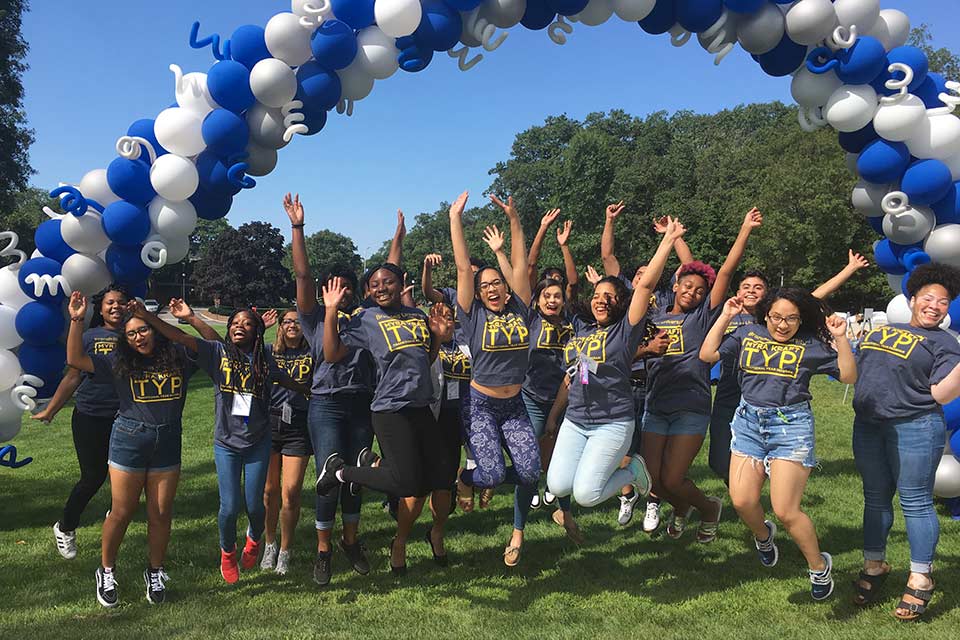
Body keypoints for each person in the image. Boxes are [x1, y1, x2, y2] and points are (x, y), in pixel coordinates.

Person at [699, 288, 856, 601]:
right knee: (742, 501)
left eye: (791, 319)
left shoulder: (811, 345)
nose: (783, 325)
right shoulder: (747, 334)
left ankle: (818, 565)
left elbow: (849, 376)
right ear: (766, 315)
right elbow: (707, 354)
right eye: (777, 318)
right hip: (747, 423)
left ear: (801, 320)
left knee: (786, 509)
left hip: (791, 428)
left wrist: (840, 338)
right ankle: (763, 535)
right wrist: (726, 316)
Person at [136, 299, 305, 585]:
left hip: (258, 442)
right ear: (228, 329)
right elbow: (180, 337)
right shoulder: (217, 354)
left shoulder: (265, 359)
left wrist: (319, 391)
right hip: (226, 443)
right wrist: (153, 318)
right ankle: (228, 552)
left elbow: (292, 382)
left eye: (248, 324)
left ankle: (253, 538)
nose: (241, 327)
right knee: (228, 507)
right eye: (236, 323)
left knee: (254, 506)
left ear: (258, 331)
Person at [315, 264, 454, 575]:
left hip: (421, 407)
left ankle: (420, 532)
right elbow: (332, 353)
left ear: (400, 283)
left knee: (441, 476)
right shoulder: (365, 319)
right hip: (390, 409)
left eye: (387, 282)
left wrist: (438, 339)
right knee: (406, 482)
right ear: (368, 291)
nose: (380, 288)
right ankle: (342, 472)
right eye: (374, 284)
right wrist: (331, 311)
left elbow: (425, 359)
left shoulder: (417, 316)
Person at [544, 217, 684, 523]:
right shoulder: (581, 326)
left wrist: (668, 241)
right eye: (596, 296)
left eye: (609, 296)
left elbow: (645, 285)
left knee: (587, 494)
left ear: (621, 302)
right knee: (557, 484)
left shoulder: (625, 330)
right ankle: (610, 471)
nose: (601, 301)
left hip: (612, 422)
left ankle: (633, 470)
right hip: (576, 420)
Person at [65, 292, 201, 607]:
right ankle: (107, 570)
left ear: (154, 328)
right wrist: (76, 320)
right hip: (129, 439)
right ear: (123, 339)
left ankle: (155, 572)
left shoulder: (179, 356)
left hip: (167, 441)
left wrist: (159, 317)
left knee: (161, 512)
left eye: (143, 330)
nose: (138, 338)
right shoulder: (118, 360)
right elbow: (75, 359)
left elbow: (206, 342)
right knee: (122, 511)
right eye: (131, 334)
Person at [641, 207, 762, 543]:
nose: (692, 293)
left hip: (690, 407)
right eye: (687, 286)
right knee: (654, 480)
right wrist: (670, 240)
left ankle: (707, 508)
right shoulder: (655, 313)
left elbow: (723, 273)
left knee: (675, 478)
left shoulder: (703, 317)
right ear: (675, 284)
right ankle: (683, 508)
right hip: (655, 405)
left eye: (699, 290)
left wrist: (745, 229)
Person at [851, 263, 960, 620]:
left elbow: (941, 394)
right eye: (928, 297)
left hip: (916, 425)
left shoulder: (945, 343)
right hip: (868, 425)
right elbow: (854, 371)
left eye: (943, 302)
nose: (934, 305)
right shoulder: (885, 329)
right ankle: (874, 564)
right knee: (875, 498)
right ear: (912, 298)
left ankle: (921, 576)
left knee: (915, 502)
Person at [707, 250, 870, 485]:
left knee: (749, 465)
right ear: (738, 292)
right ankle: (744, 487)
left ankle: (761, 478)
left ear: (767, 296)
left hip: (773, 396)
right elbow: (723, 273)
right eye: (746, 286)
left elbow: (813, 298)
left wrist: (849, 269)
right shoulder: (727, 315)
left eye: (758, 287)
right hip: (731, 395)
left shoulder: (780, 321)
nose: (751, 290)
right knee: (718, 461)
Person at [283, 193, 379, 586]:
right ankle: (323, 550)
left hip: (361, 403)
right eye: (333, 286)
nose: (340, 291)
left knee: (355, 475)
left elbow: (388, 274)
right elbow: (303, 277)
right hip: (325, 405)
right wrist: (298, 227)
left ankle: (350, 540)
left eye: (346, 287)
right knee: (329, 475)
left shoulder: (366, 321)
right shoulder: (314, 320)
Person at [448, 191, 542, 567]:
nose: (491, 288)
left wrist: (514, 217)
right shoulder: (472, 316)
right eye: (484, 284)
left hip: (514, 404)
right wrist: (456, 219)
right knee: (491, 472)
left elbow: (520, 264)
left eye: (495, 283)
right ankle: (465, 478)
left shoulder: (519, 306)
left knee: (531, 471)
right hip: (481, 404)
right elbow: (460, 269)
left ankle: (478, 479)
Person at [34, 284, 128, 560]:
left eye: (120, 302)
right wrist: (51, 410)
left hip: (125, 417)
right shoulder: (89, 336)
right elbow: (73, 375)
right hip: (89, 416)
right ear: (101, 308)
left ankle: (113, 525)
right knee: (93, 476)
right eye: (110, 302)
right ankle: (65, 526)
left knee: (123, 476)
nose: (115, 307)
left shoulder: (136, 335)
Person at [260, 309, 314, 575]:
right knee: (269, 492)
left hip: (298, 426)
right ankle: (269, 544)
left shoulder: (312, 352)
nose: (293, 325)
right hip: (269, 424)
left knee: (290, 493)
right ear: (280, 326)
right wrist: (259, 327)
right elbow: (240, 350)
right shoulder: (269, 351)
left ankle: (285, 550)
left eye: (297, 321)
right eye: (287, 321)